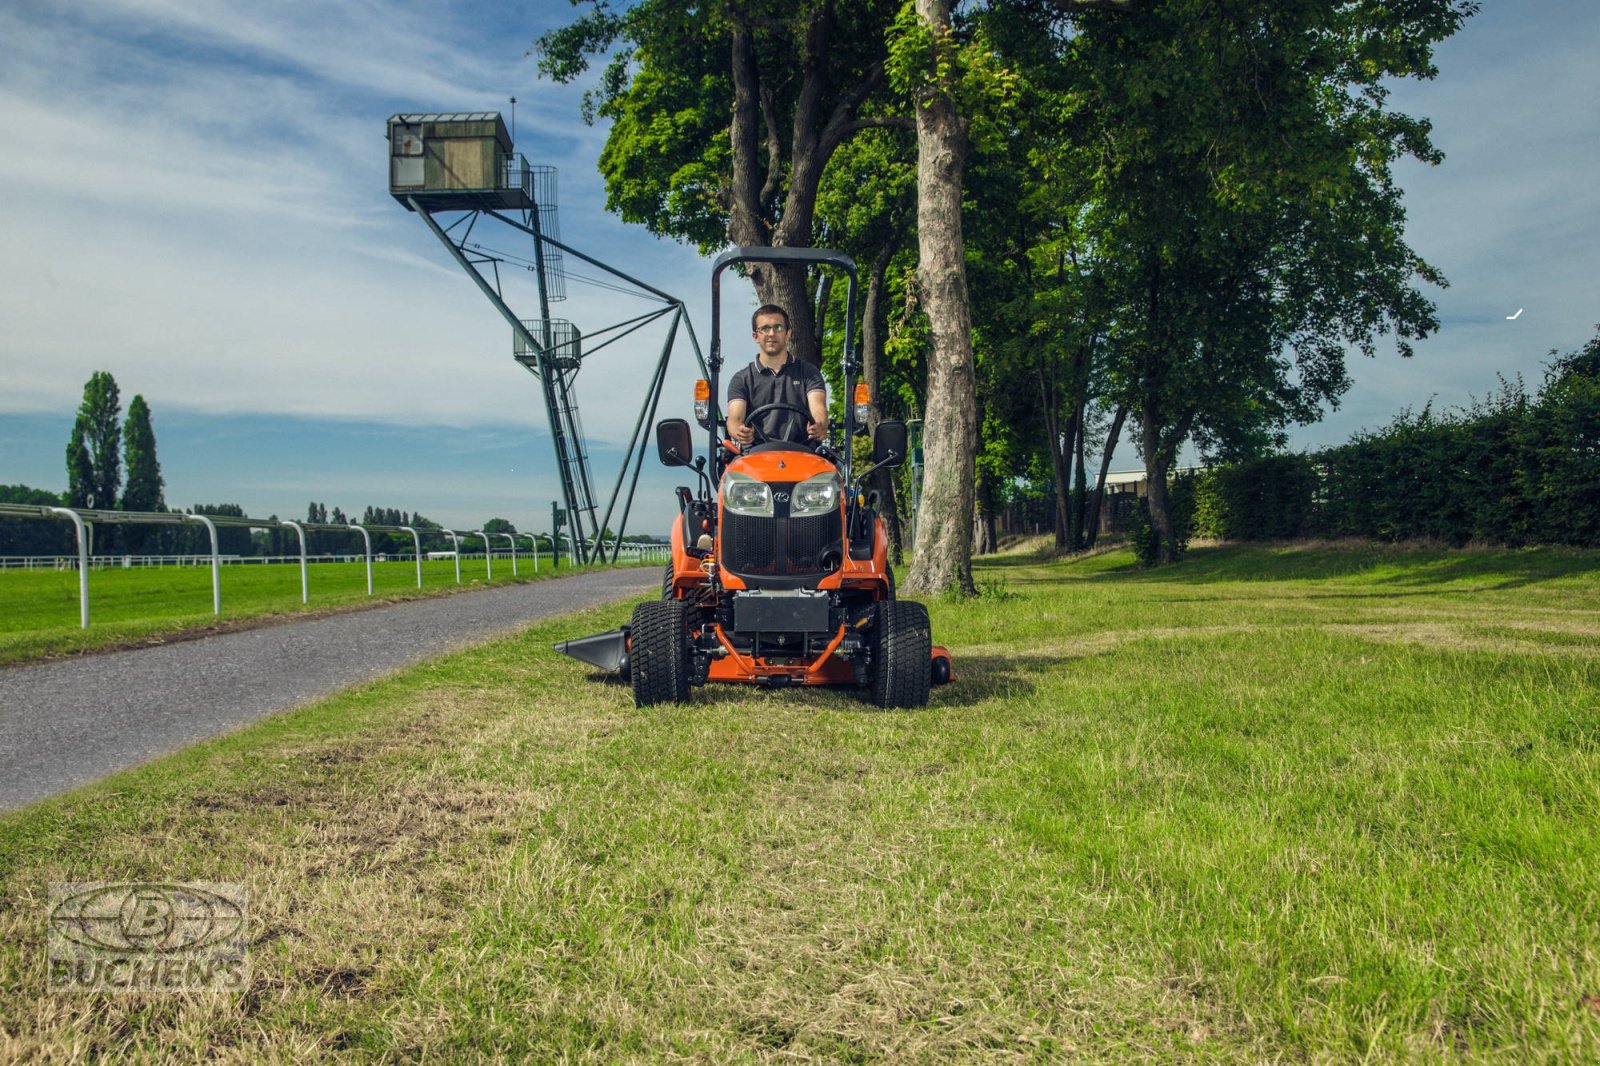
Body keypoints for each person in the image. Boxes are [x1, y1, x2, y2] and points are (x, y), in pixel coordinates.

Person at [726, 304, 828, 448]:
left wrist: (820, 424)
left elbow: (818, 407)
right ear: (755, 336)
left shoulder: (808, 372)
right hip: (755, 454)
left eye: (778, 327)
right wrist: (739, 430)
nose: (772, 333)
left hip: (803, 452)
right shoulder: (742, 379)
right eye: (765, 328)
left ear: (788, 334)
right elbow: (735, 418)